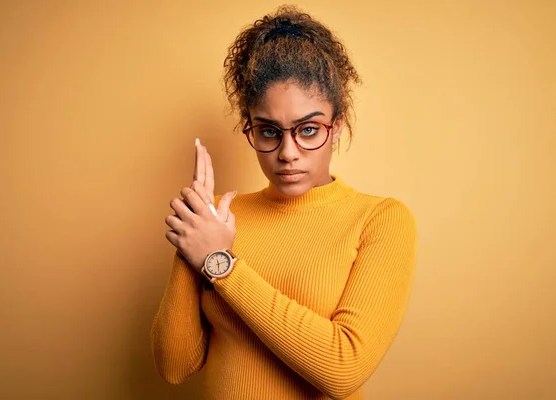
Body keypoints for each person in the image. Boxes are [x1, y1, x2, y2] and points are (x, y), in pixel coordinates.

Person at [150, 5, 416, 399]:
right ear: (250, 127)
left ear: (337, 126)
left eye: (308, 130)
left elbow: (344, 368)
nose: (288, 152)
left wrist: (220, 264)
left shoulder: (379, 219)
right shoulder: (220, 216)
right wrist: (193, 241)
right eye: (269, 131)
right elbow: (175, 367)